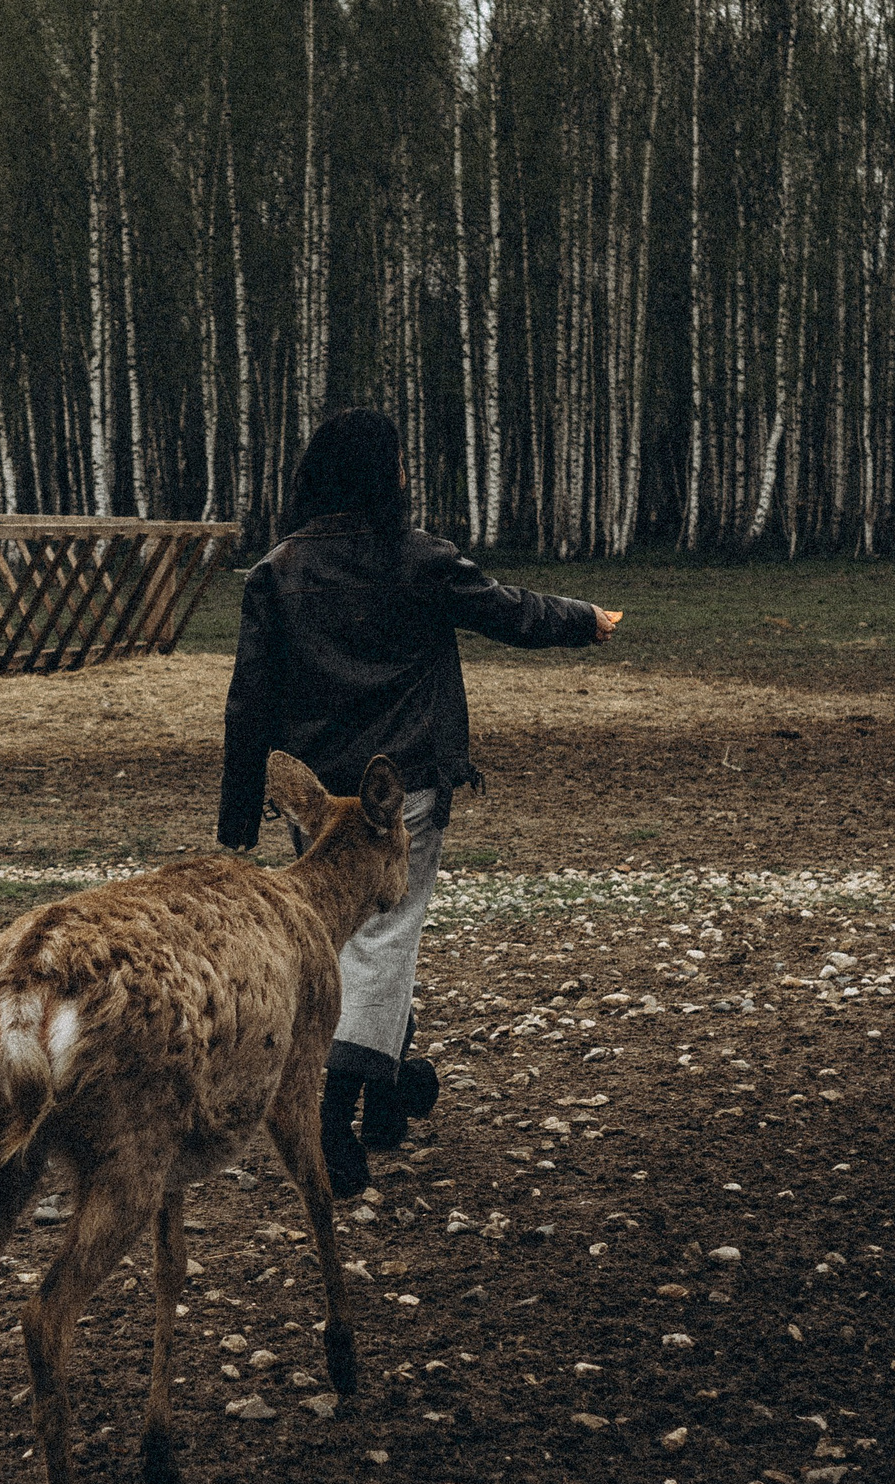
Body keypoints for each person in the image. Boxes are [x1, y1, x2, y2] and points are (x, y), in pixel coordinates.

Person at [218, 407, 616, 1195]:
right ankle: (334, 1110)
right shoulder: (420, 560)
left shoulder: (277, 570)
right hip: (401, 792)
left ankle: (390, 1091)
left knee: (342, 936)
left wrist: (237, 814)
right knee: (387, 936)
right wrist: (587, 621)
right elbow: (511, 611)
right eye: (399, 460)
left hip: (314, 799)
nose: (406, 473)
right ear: (382, 475)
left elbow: (248, 702)